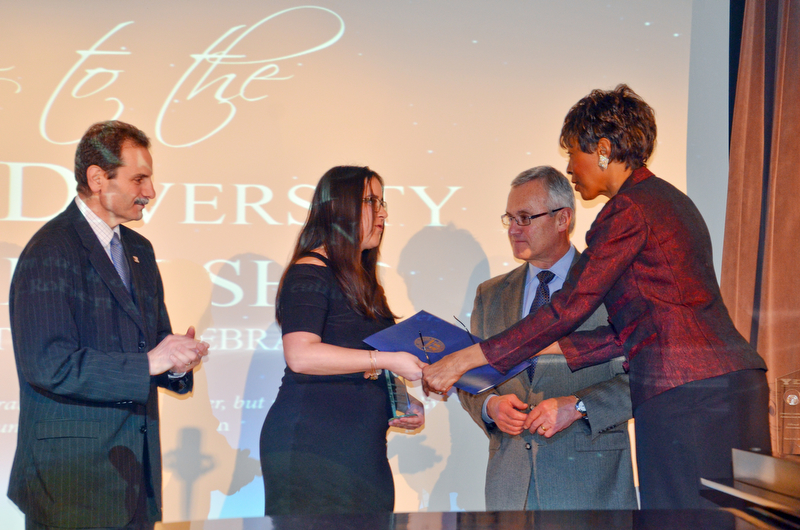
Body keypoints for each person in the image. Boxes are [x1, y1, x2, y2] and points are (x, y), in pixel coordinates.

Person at [423, 84, 770, 509]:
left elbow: (569, 307)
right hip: (723, 388)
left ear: (603, 149)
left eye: (573, 152)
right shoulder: (666, 200)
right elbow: (631, 329)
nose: (569, 167)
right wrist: (541, 349)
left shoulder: (628, 209)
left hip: (688, 394)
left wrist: (469, 358)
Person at [8, 120, 209, 529]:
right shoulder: (50, 248)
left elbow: (151, 344)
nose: (150, 192)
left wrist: (175, 361)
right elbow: (47, 364)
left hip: (134, 474)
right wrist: (148, 363)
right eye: (140, 179)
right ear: (98, 179)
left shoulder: (139, 250)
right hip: (71, 483)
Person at [458, 166, 636, 510]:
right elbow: (472, 377)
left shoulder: (615, 285)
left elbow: (645, 377)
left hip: (592, 488)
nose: (513, 229)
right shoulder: (490, 295)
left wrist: (579, 406)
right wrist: (490, 407)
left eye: (524, 218)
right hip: (511, 488)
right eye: (509, 218)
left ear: (563, 218)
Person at [259, 165, 426, 515]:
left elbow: (362, 359)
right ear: (338, 208)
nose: (382, 213)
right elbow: (301, 355)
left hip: (359, 448)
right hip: (313, 447)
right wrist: (388, 361)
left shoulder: (362, 279)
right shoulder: (310, 270)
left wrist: (401, 400)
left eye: (383, 203)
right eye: (370, 201)